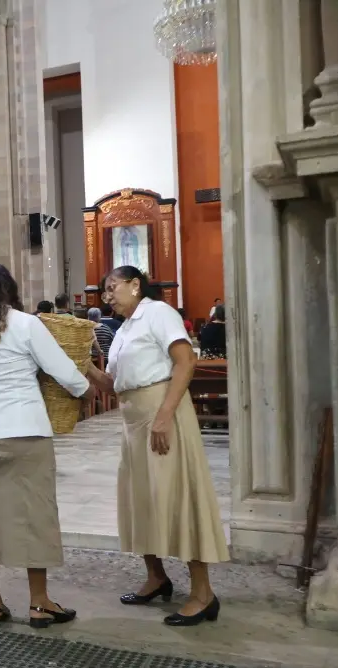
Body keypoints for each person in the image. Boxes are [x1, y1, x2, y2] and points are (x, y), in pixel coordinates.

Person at [0, 263, 93, 630]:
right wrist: (85, 390)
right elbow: (62, 370)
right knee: (34, 515)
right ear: (9, 291)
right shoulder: (26, 324)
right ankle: (39, 603)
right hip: (25, 430)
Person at [88, 265, 229, 627]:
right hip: (133, 422)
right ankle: (156, 577)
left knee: (178, 496)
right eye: (104, 291)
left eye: (112, 287)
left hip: (161, 414)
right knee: (141, 499)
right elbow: (113, 384)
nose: (107, 296)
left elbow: (186, 361)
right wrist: (82, 365)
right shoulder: (124, 329)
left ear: (135, 285)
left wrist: (164, 416)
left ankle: (203, 593)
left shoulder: (158, 313)